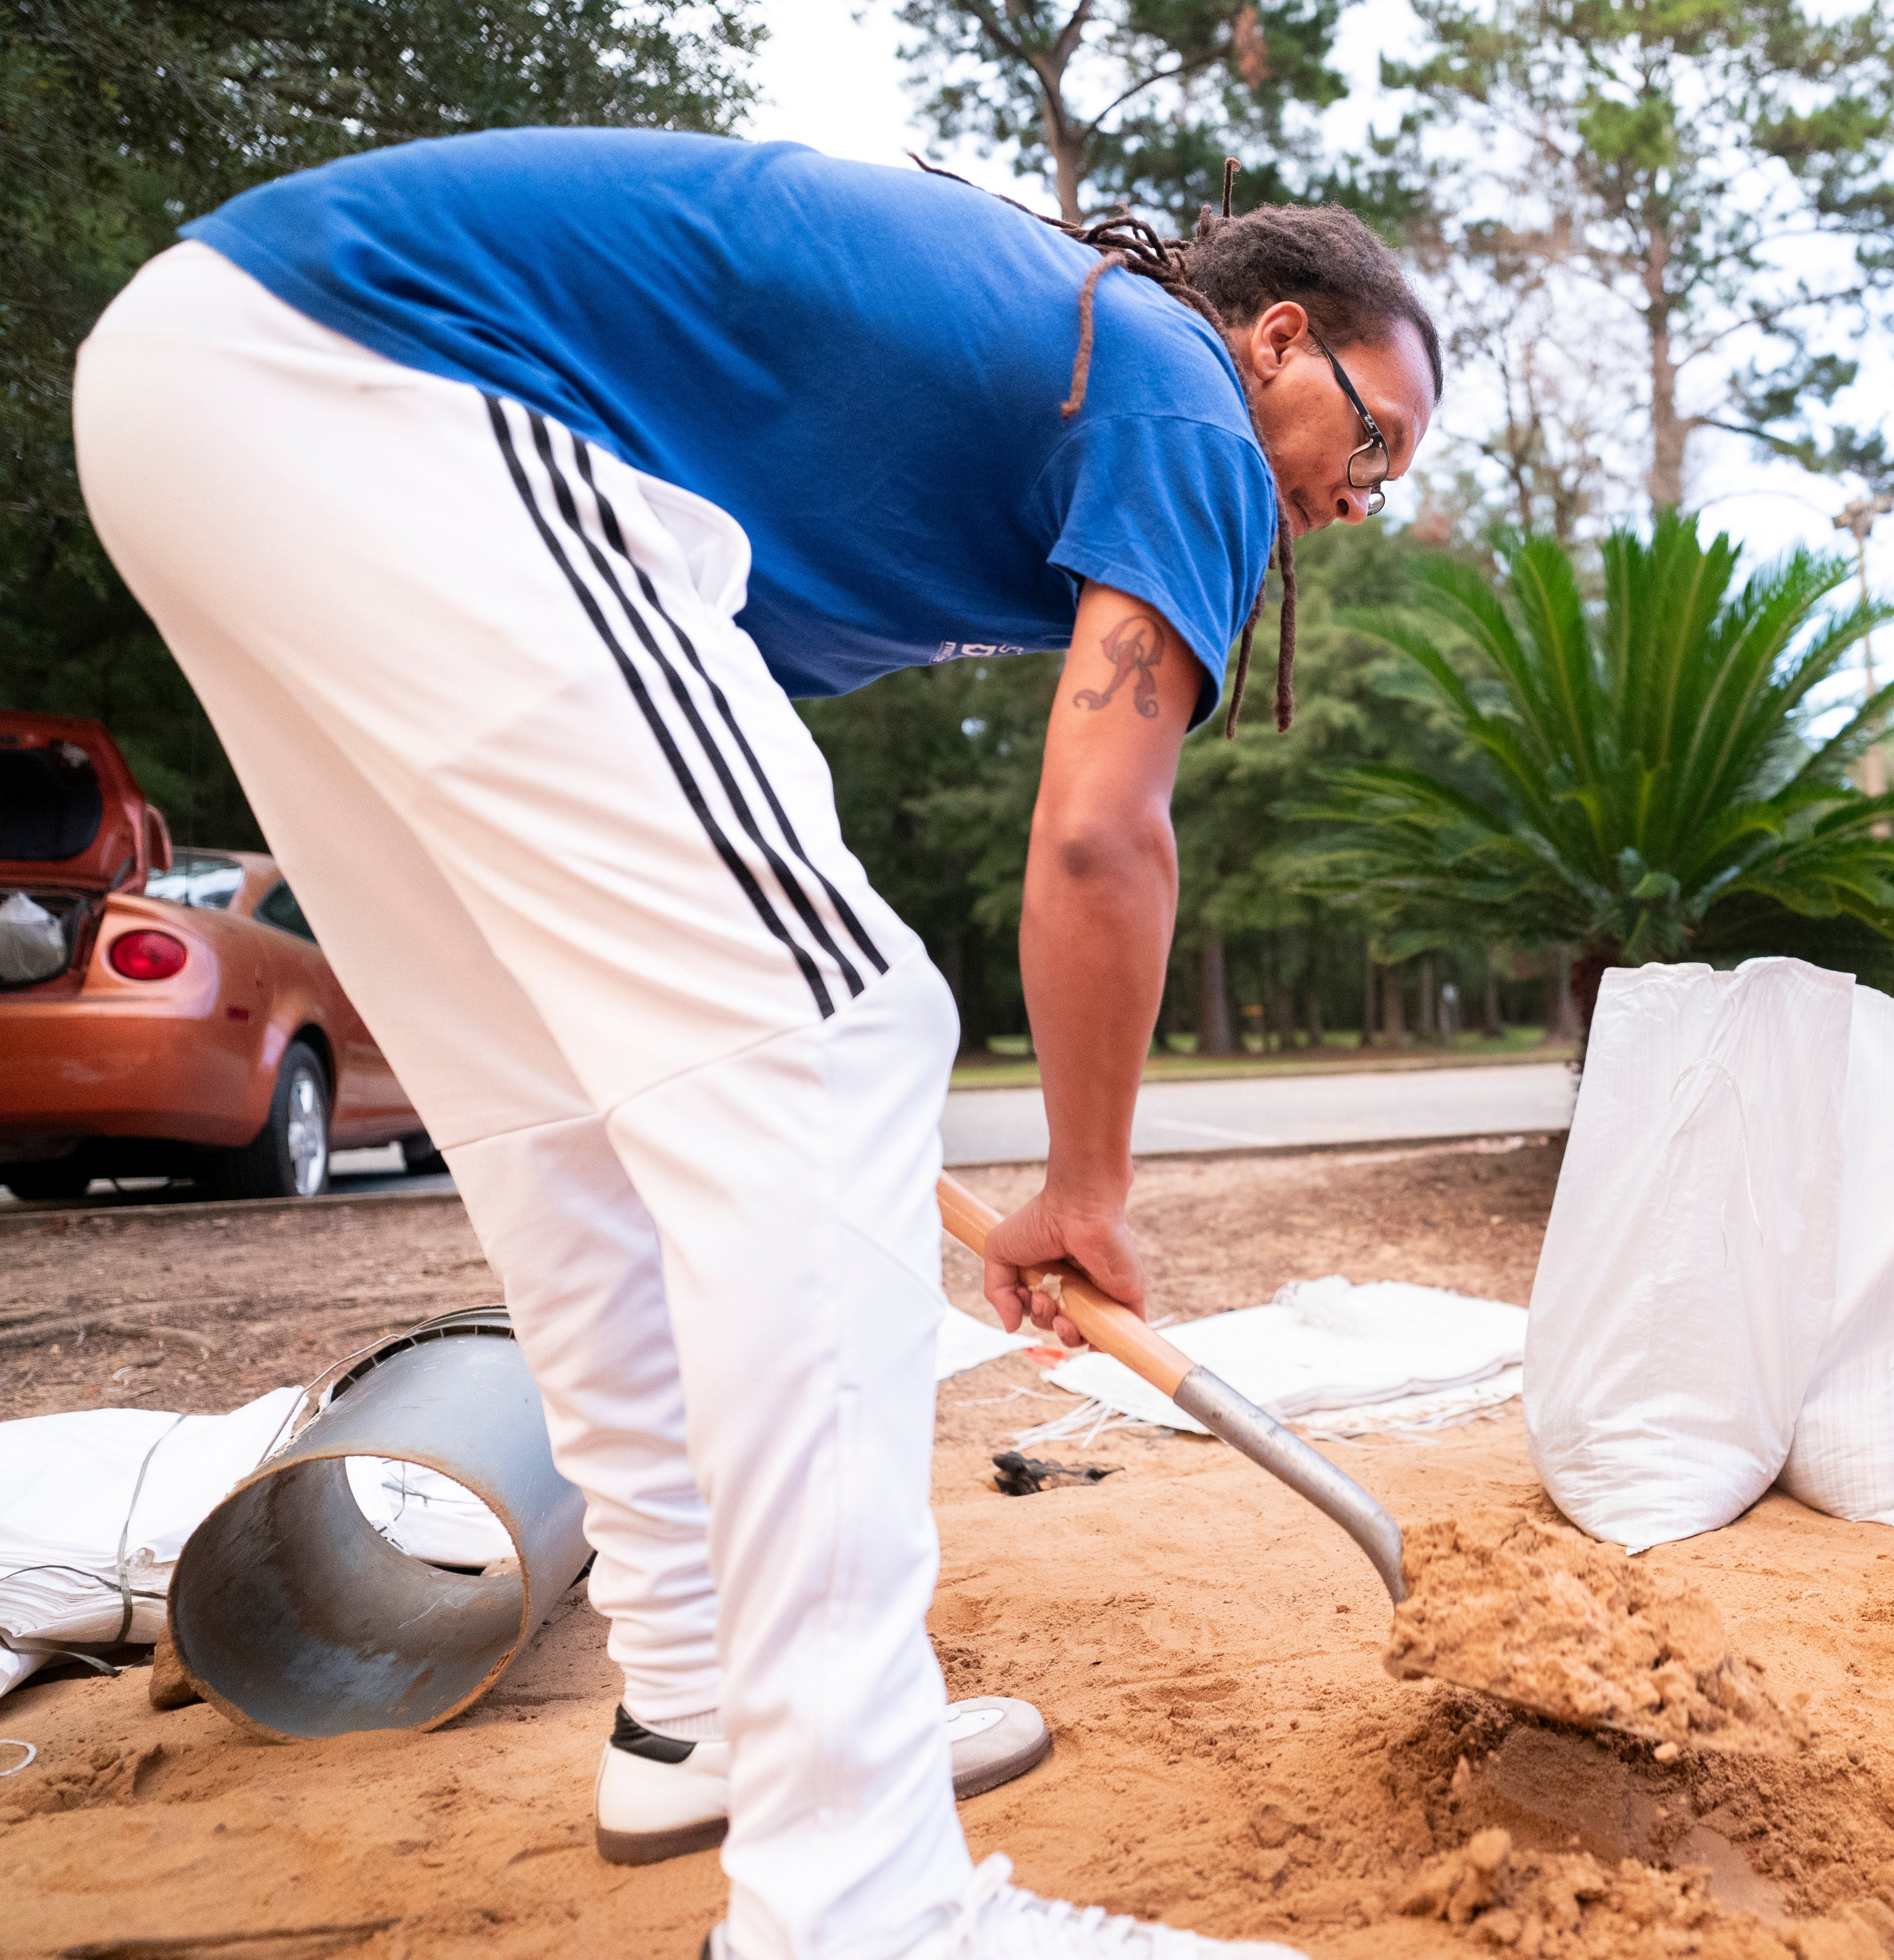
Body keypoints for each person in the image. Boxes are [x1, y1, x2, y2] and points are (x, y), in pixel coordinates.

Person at [74, 127, 1439, 1960]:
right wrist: (1087, 1192)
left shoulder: (1017, 402)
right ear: (1281, 339)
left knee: (577, 1122)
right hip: (390, 382)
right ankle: (861, 1897)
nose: (1361, 501)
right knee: (842, 1036)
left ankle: (702, 1707)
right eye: (1373, 443)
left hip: (215, 393)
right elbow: (1106, 838)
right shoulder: (1189, 397)